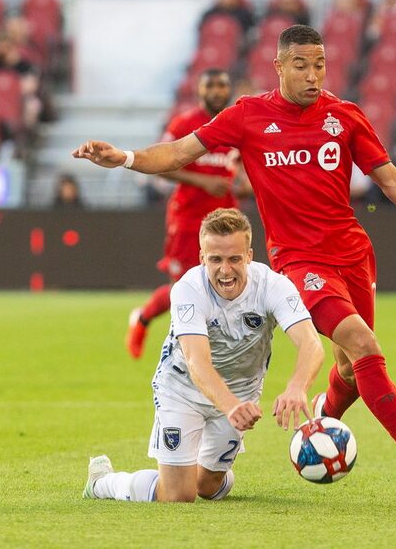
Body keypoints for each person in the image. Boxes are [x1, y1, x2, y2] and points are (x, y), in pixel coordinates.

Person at [74, 24, 396, 495]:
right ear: (279, 66)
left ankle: (326, 415)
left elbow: (390, 180)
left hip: (354, 256)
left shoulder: (344, 117)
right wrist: (123, 157)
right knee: (364, 345)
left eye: (320, 64)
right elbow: (180, 153)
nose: (312, 75)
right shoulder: (248, 115)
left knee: (350, 367)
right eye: (301, 65)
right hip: (300, 263)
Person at [83, 208, 324, 503]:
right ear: (202, 259)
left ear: (249, 256)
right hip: (183, 388)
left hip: (241, 391)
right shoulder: (188, 289)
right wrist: (231, 406)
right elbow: (197, 362)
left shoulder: (274, 286)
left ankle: (206, 472)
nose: (225, 270)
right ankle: (103, 482)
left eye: (234, 259)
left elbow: (311, 343)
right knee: (178, 495)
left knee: (208, 487)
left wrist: (297, 386)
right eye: (216, 260)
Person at [126, 69, 249, 359]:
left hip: (227, 220)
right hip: (189, 217)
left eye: (223, 85)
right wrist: (203, 181)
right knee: (181, 286)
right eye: (211, 85)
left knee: (230, 280)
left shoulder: (236, 125)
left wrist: (245, 185)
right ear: (200, 90)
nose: (217, 91)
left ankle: (222, 350)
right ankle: (143, 318)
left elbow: (244, 171)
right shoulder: (184, 123)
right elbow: (162, 165)